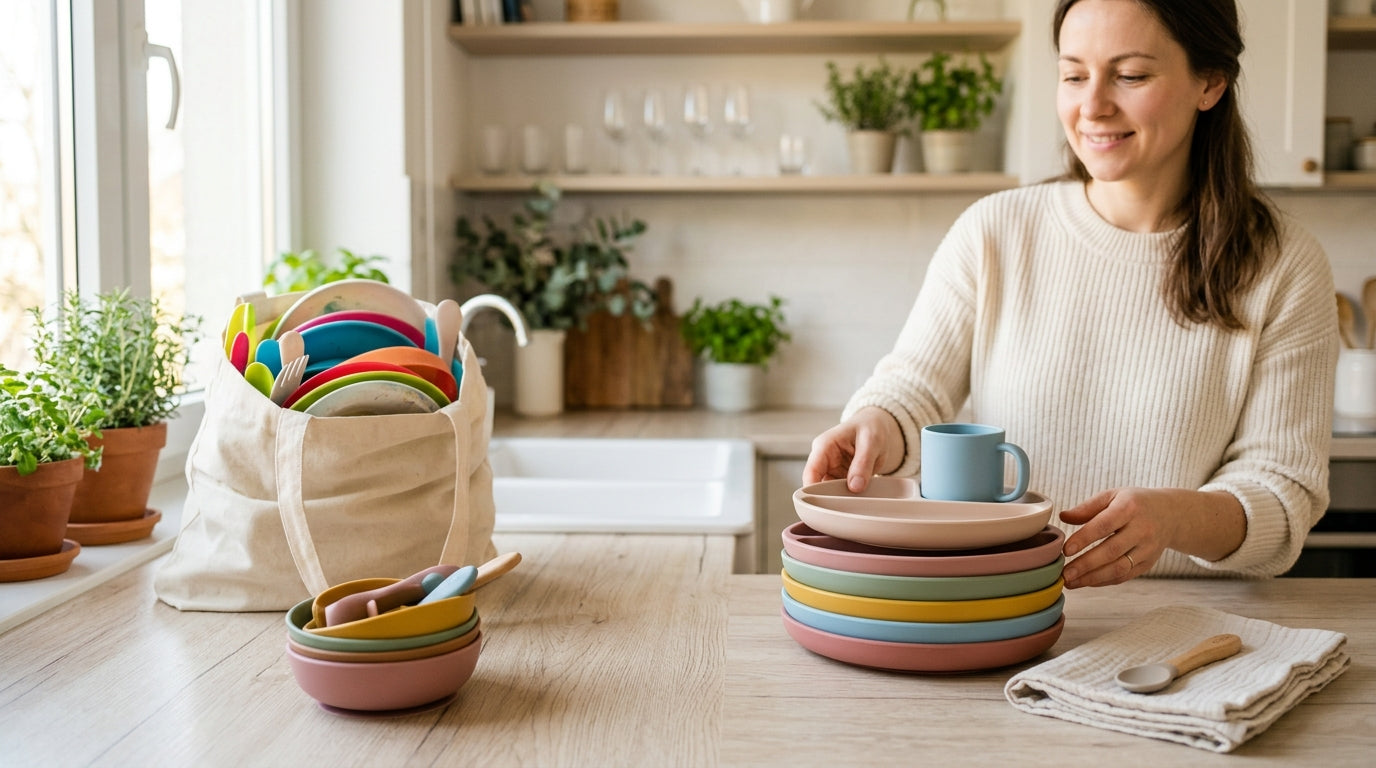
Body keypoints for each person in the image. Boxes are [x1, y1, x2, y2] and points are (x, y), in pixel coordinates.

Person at [803, 0, 1338, 589]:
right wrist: (876, 424)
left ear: (1210, 82)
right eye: (1074, 74)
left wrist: (1174, 519)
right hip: (1002, 600)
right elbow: (914, 387)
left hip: (1192, 627)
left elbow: (1282, 490)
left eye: (1131, 75)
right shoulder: (996, 231)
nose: (1092, 106)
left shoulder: (1285, 263)